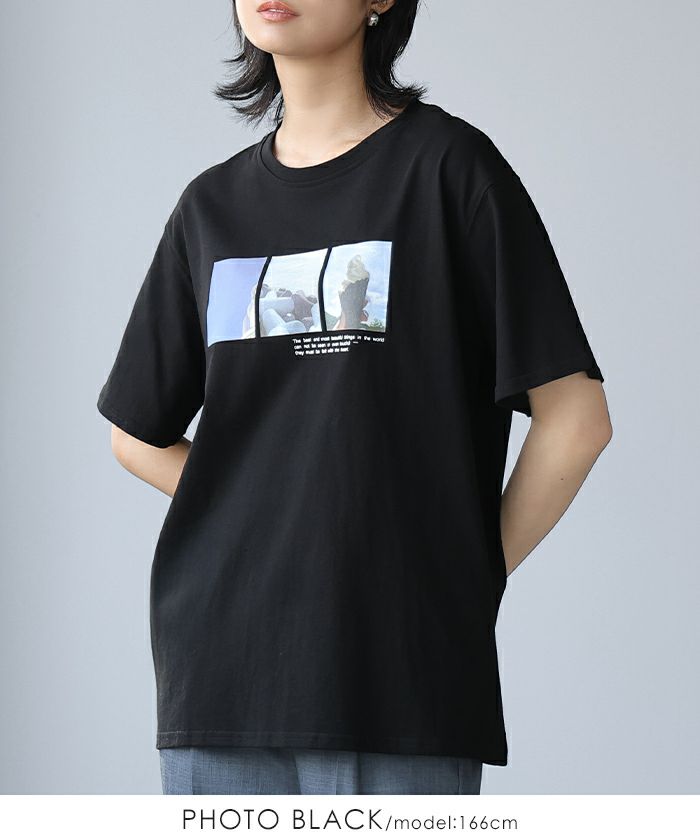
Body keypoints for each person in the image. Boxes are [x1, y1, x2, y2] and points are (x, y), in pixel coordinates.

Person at [96, 0, 612, 796]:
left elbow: (576, 421)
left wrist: (455, 577)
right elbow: (136, 434)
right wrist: (274, 510)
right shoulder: (210, 206)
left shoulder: (449, 169)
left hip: (398, 678)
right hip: (221, 672)